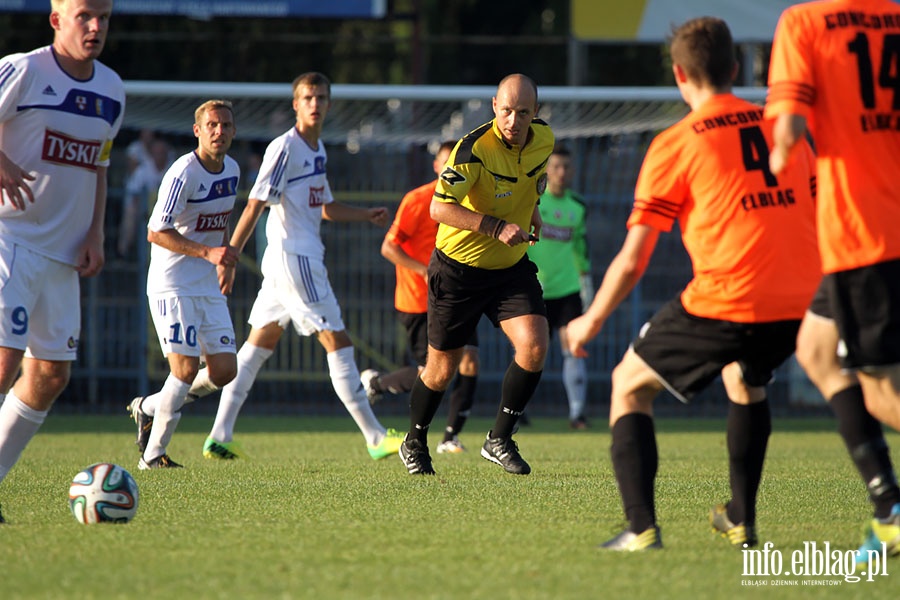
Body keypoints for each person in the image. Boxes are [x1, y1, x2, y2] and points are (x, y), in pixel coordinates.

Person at [567, 17, 820, 550]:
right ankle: (741, 519)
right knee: (744, 380)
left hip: (728, 299)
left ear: (680, 75)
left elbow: (635, 259)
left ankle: (640, 530)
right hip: (801, 303)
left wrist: (589, 321)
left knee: (627, 386)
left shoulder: (676, 142)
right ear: (735, 69)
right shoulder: (786, 127)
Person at [187, 72, 404, 461]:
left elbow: (324, 207)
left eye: (321, 97)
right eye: (308, 97)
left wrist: (364, 214)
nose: (315, 103)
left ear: (329, 103)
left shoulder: (317, 149)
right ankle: (375, 437)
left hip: (291, 259)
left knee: (257, 347)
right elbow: (255, 203)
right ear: (295, 104)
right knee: (338, 341)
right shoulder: (284, 148)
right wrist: (230, 257)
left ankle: (218, 433)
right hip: (295, 257)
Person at [766, 0, 900, 562]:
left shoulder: (805, 22)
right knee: (817, 351)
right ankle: (889, 509)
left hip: (864, 230)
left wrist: (779, 152)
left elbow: (791, 126)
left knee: (881, 389)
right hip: (879, 224)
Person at [0, 0, 124, 522]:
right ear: (56, 20)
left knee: (51, 373)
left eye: (103, 16)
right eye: (83, 16)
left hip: (63, 255)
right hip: (9, 237)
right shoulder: (23, 69)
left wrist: (95, 230)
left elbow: (99, 164)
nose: (95, 26)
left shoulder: (112, 89)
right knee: (4, 363)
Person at [398, 73, 554, 476]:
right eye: (506, 111)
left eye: (523, 112)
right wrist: (496, 227)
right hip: (458, 272)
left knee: (535, 346)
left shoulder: (545, 140)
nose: (513, 120)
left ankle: (499, 438)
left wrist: (531, 210)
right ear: (493, 107)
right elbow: (438, 209)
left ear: (536, 112)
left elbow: (534, 180)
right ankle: (414, 440)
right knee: (441, 370)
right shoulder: (472, 150)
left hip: (508, 269)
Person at [126, 99, 240, 470]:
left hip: (207, 284)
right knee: (185, 370)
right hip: (172, 284)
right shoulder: (182, 173)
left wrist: (224, 262)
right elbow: (155, 232)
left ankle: (147, 406)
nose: (218, 131)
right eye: (212, 125)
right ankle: (153, 455)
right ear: (197, 131)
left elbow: (220, 219)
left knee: (225, 371)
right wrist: (207, 253)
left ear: (233, 131)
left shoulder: (233, 170)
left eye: (225, 125)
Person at [361, 141, 480, 455]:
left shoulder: (472, 200)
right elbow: (388, 248)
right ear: (436, 166)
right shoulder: (417, 201)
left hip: (459, 296)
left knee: (468, 361)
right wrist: (424, 271)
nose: (450, 169)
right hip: (418, 300)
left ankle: (450, 437)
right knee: (432, 369)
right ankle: (378, 385)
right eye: (445, 162)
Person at [526, 145, 591, 430]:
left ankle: (577, 414)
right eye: (556, 167)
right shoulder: (533, 202)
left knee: (572, 347)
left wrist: (586, 283)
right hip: (535, 287)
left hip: (567, 290)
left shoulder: (577, 207)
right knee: (529, 350)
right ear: (547, 171)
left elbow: (580, 249)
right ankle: (519, 410)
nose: (562, 173)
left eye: (566, 167)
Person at [117, 137, 171, 260]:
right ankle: (123, 254)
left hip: (166, 212)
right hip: (144, 210)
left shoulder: (172, 169)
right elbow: (133, 194)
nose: (160, 156)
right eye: (157, 153)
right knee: (130, 214)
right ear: (152, 154)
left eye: (162, 153)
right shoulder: (143, 170)